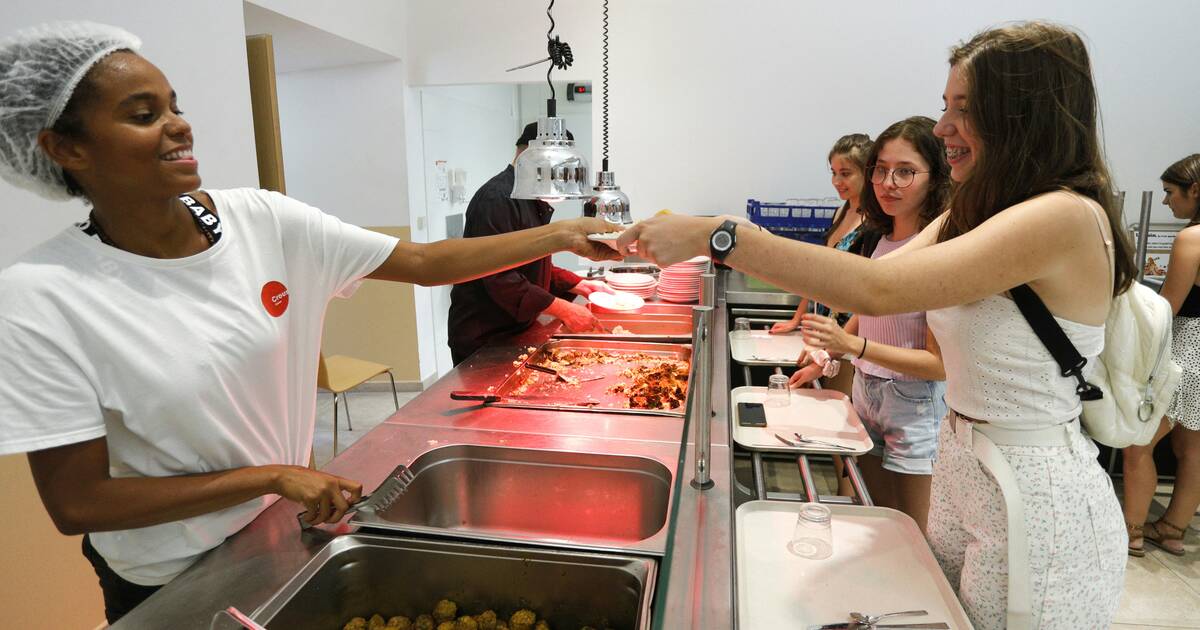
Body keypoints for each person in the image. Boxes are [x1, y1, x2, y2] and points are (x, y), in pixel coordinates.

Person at [0, 22, 618, 624]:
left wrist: (563, 232)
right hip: (167, 573)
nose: (179, 125)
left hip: (282, 527)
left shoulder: (263, 222)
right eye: (143, 115)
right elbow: (78, 502)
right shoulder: (42, 295)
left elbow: (426, 263)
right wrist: (271, 476)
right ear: (67, 148)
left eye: (175, 107)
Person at [618, 22, 1135, 629]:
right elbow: (862, 276)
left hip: (1033, 491)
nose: (943, 128)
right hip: (965, 464)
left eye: (964, 109)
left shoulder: (1063, 217)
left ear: (1023, 114)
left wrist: (719, 235)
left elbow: (877, 289)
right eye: (945, 107)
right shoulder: (977, 213)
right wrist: (728, 227)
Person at [793, 117, 950, 532]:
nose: (888, 183)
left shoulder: (943, 249)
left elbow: (937, 364)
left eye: (905, 172)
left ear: (936, 178)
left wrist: (852, 346)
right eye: (881, 170)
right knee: (871, 516)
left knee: (914, 530)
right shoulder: (881, 237)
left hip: (914, 401)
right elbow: (871, 307)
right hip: (867, 390)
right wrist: (831, 352)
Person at [447, 122, 613, 365]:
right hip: (484, 335)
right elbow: (501, 277)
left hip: (515, 330)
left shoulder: (530, 196)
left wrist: (580, 284)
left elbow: (534, 263)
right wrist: (562, 308)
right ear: (530, 155)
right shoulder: (497, 198)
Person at [1123, 153, 1200, 557]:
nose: (1168, 202)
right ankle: (1172, 530)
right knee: (1193, 448)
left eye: (1171, 192)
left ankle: (1132, 531)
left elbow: (1166, 308)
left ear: (1195, 190)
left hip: (1190, 348)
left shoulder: (1191, 238)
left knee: (1139, 445)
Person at [770, 133, 873, 335]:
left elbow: (867, 298)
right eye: (834, 173)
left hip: (849, 334)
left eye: (845, 174)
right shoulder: (840, 213)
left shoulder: (875, 224)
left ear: (867, 173)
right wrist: (796, 319)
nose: (836, 181)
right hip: (824, 327)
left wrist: (840, 343)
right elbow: (819, 275)